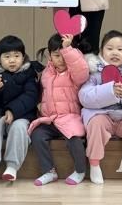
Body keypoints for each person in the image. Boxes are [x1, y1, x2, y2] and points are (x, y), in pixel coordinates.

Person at [79, 30, 122, 184]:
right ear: (101, 52)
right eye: (109, 49)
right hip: (101, 115)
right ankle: (94, 165)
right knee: (96, 123)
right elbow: (84, 97)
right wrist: (110, 91)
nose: (115, 52)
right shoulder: (94, 73)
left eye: (120, 49)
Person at [0, 35, 41, 188]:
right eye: (7, 56)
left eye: (17, 56)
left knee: (19, 128)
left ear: (23, 57)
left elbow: (31, 96)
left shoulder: (29, 73)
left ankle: (12, 166)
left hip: (21, 115)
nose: (12, 60)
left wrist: (13, 110)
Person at [29, 33, 90, 186]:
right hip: (50, 119)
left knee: (74, 138)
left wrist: (67, 49)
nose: (61, 59)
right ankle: (49, 171)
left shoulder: (73, 73)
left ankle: (80, 170)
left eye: (64, 55)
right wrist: (41, 107)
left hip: (70, 117)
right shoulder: (47, 73)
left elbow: (81, 70)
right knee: (37, 135)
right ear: (50, 55)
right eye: (57, 55)